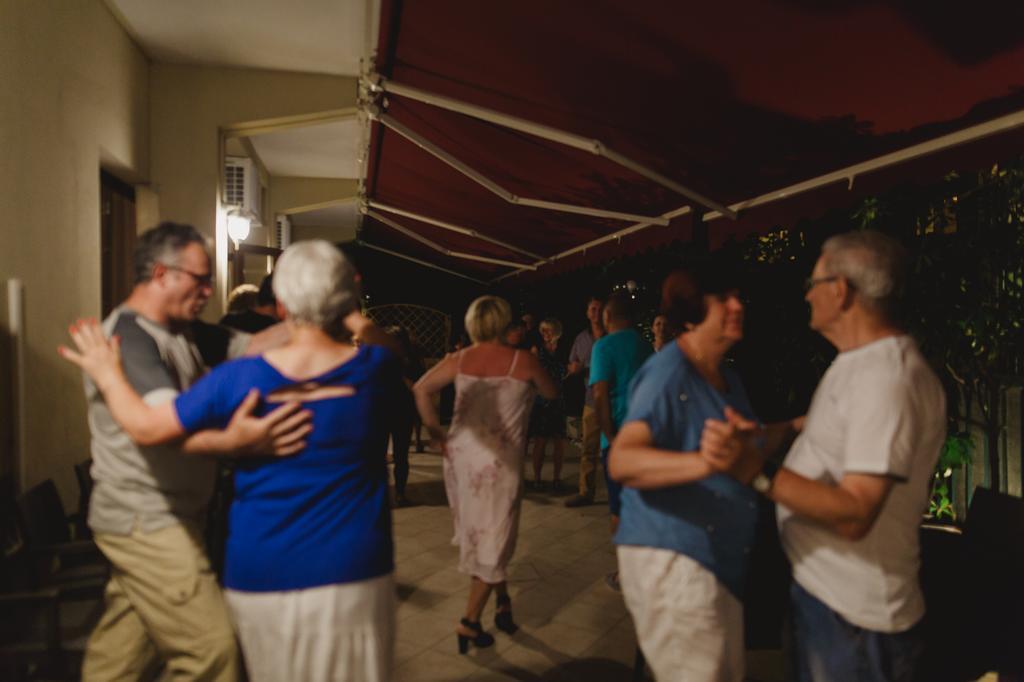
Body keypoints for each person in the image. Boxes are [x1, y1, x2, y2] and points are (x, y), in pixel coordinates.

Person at [62, 239, 403, 681]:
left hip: (260, 569)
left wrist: (108, 376)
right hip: (354, 568)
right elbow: (387, 346)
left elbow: (147, 427)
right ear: (348, 296)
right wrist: (351, 312)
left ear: (280, 303)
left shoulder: (238, 379)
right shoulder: (374, 369)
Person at [61, 222, 304, 681]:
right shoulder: (130, 340)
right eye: (200, 279)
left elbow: (255, 345)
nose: (209, 290)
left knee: (120, 659)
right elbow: (161, 427)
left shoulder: (184, 331)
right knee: (213, 654)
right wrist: (236, 442)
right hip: (147, 519)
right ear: (161, 274)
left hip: (167, 513)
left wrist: (316, 315)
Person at [702, 231, 945, 682]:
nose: (808, 295)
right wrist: (767, 434)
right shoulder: (856, 362)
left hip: (855, 621)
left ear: (841, 290)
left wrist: (754, 471)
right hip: (826, 598)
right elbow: (822, 427)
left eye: (813, 283)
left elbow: (856, 513)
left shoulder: (886, 379)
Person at [609, 267, 799, 681]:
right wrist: (705, 463)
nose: (737, 306)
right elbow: (623, 460)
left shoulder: (726, 376)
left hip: (715, 560)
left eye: (737, 296)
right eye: (722, 299)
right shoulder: (669, 374)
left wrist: (797, 427)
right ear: (692, 315)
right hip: (675, 559)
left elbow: (749, 442)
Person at [413, 296, 557, 653]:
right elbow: (553, 393)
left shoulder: (458, 359)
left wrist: (434, 431)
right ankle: (469, 623)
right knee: (494, 540)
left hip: (462, 460)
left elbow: (421, 389)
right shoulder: (522, 361)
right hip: (498, 467)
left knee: (486, 532)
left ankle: (503, 603)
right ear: (505, 323)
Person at [589, 293, 652, 590]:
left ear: (607, 316)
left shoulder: (603, 346)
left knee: (618, 509)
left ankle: (626, 573)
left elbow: (600, 394)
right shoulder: (644, 345)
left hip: (619, 439)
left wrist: (610, 437)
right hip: (647, 436)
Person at [564, 295, 606, 507]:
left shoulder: (611, 335)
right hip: (590, 400)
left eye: (599, 309)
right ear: (587, 313)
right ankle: (585, 492)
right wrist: (576, 368)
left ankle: (620, 492)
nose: (596, 313)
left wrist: (586, 367)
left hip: (611, 400)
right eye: (593, 309)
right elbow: (571, 365)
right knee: (588, 448)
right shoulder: (581, 339)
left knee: (613, 448)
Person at [527, 318, 568, 491]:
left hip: (558, 400)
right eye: (543, 330)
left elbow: (566, 371)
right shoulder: (537, 351)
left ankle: (557, 478)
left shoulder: (563, 350)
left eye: (548, 330)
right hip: (541, 401)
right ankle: (537, 477)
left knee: (559, 441)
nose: (545, 334)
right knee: (540, 441)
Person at [386, 325, 425, 506]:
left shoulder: (413, 361)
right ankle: (381, 494)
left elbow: (419, 388)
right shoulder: (381, 359)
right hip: (381, 412)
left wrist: (400, 372)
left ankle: (400, 493)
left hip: (403, 412)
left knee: (401, 456)